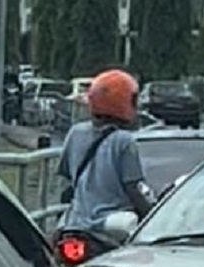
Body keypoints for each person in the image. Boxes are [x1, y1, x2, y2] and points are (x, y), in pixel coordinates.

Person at [56, 69, 155, 242]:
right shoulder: (124, 141)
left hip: (77, 223)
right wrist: (152, 220)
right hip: (113, 226)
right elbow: (134, 188)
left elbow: (66, 183)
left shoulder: (76, 133)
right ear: (123, 102)